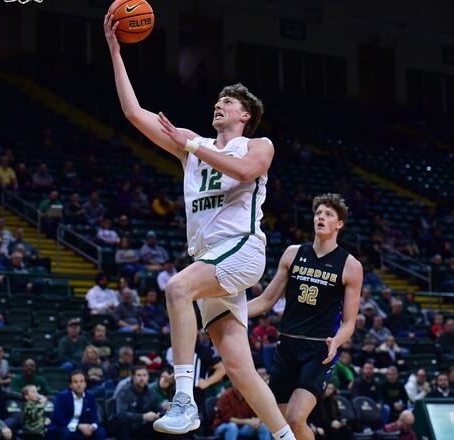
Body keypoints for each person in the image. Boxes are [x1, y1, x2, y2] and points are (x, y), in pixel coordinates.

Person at [107, 13, 292, 436]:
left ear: (245, 116)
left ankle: (184, 401)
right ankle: (286, 437)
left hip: (242, 250)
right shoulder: (195, 145)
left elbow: (244, 172)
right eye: (218, 99)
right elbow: (135, 113)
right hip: (210, 258)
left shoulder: (258, 144)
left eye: (229, 102)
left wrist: (189, 143)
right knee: (240, 368)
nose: (219, 103)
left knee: (176, 288)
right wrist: (116, 52)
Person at [247, 194, 362, 439]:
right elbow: (267, 301)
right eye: (318, 213)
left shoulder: (350, 266)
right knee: (278, 425)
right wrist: (233, 311)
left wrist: (337, 341)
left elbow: (349, 322)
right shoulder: (292, 254)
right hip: (287, 345)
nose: (321, 217)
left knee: (296, 418)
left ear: (339, 224)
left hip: (319, 349)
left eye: (328, 214)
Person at [48, 370, 105, 440]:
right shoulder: (62, 396)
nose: (79, 384)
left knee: (100, 431)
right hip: (65, 426)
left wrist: (92, 427)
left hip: (83, 427)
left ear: (85, 384)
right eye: (75, 382)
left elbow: (94, 418)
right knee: (65, 432)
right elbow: (59, 419)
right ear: (70, 385)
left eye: (81, 381)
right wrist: (78, 426)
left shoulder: (90, 396)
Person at [114, 366, 161, 440]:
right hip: (128, 427)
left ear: (148, 377)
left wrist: (158, 415)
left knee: (159, 426)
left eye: (145, 375)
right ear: (132, 377)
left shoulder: (151, 393)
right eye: (139, 375)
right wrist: (143, 416)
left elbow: (159, 410)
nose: (142, 378)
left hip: (144, 427)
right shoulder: (124, 392)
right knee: (124, 425)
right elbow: (122, 414)